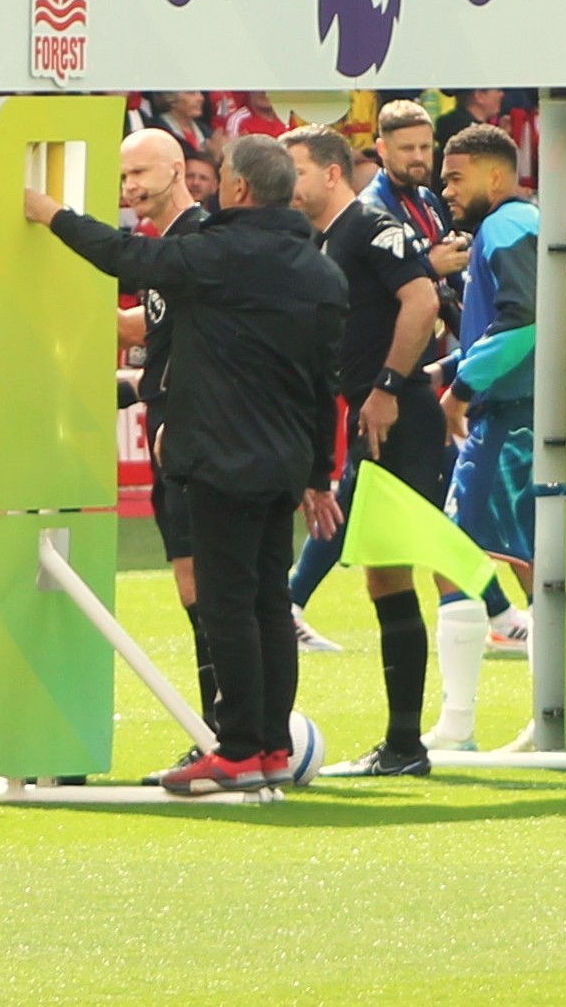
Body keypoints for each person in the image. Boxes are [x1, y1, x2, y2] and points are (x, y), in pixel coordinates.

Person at [33, 130, 342, 796]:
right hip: (285, 460)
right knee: (269, 601)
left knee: (226, 603)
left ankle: (239, 748)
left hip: (222, 455)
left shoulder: (221, 253)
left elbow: (124, 256)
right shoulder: (319, 270)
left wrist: (49, 213)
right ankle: (270, 745)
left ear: (238, 187)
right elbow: (325, 385)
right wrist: (318, 474)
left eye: (221, 173)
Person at [285, 126, 449, 772]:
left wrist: (387, 386)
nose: (288, 183)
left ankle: (407, 744)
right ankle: (403, 743)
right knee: (384, 576)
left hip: (396, 417)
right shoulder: (324, 240)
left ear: (332, 172)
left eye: (296, 170)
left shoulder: (369, 226)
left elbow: (422, 298)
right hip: (371, 420)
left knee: (395, 572)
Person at [430, 121, 539, 752]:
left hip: (510, 416)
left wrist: (462, 388)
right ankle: (551, 713)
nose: (446, 189)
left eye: (455, 177)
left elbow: (524, 320)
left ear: (495, 176)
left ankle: (459, 726)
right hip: (530, 411)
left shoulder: (504, 226)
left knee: (460, 558)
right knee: (538, 563)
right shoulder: (525, 223)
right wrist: (445, 369)